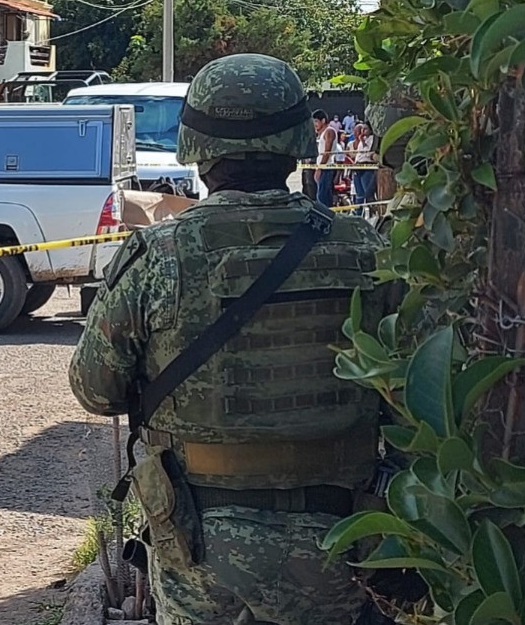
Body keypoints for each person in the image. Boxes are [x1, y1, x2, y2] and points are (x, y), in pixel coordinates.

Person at [70, 53, 384, 625]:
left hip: (197, 539)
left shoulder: (159, 254)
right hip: (338, 533)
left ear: (196, 147)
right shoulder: (364, 249)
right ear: (296, 144)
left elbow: (97, 390)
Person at [312, 110, 338, 206]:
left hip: (326, 168)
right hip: (323, 167)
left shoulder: (329, 131)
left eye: (316, 121)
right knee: (322, 196)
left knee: (323, 198)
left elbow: (327, 153)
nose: (315, 124)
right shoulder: (322, 133)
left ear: (323, 121)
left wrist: (320, 168)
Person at [352, 122, 378, 214]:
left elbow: (369, 152)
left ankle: (373, 213)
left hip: (366, 167)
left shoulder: (372, 140)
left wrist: (363, 142)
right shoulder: (361, 140)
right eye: (362, 129)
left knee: (367, 192)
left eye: (365, 129)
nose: (363, 131)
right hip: (358, 167)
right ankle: (358, 213)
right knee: (359, 194)